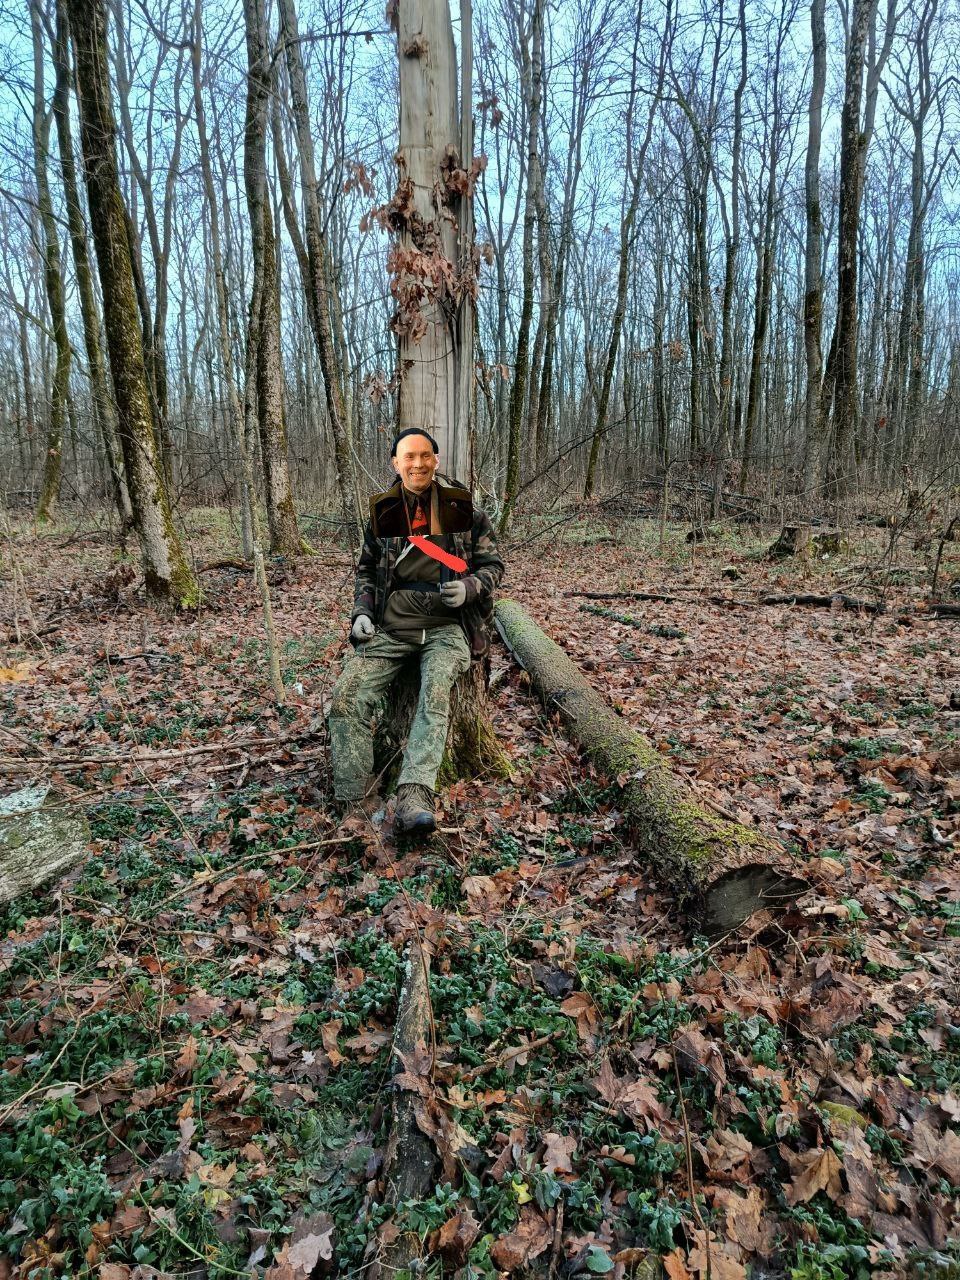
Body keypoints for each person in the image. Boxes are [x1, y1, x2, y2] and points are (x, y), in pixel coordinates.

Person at [328, 428, 505, 835]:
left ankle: (415, 794)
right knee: (347, 695)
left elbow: (493, 565)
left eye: (425, 456)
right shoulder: (384, 512)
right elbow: (368, 570)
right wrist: (361, 613)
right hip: (391, 626)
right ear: (395, 463)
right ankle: (355, 798)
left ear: (436, 460)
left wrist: (470, 587)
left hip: (447, 627)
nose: (418, 464)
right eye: (409, 457)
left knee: (435, 691)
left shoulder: (462, 508)